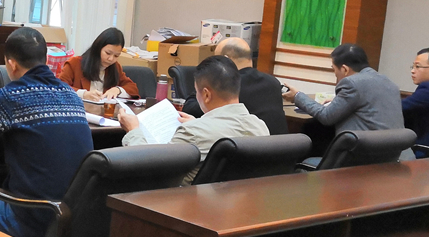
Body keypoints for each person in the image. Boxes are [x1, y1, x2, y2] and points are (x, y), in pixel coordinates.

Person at [0, 27, 93, 237]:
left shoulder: (12, 95)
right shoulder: (72, 96)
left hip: (34, 217)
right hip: (74, 217)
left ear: (12, 64)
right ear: (45, 60)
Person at [119, 55, 269, 185]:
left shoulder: (193, 132)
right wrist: (197, 122)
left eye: (196, 91)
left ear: (206, 95)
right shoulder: (260, 127)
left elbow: (150, 168)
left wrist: (133, 131)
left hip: (179, 204)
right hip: (239, 205)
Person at [281, 43, 409, 138]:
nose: (335, 74)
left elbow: (326, 116)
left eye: (334, 69)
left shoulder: (351, 83)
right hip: (394, 153)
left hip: (364, 156)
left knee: (311, 133)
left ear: (345, 69)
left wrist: (297, 96)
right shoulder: (389, 83)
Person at [182, 37, 288, 134]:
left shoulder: (229, 85)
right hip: (275, 146)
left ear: (226, 60)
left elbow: (190, 109)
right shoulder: (273, 82)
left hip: (236, 143)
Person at [58, 27, 139, 101]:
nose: (111, 59)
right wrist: (83, 94)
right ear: (98, 48)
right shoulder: (74, 63)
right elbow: (58, 88)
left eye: (116, 56)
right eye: (108, 53)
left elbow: (133, 88)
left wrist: (117, 90)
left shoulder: (115, 67)